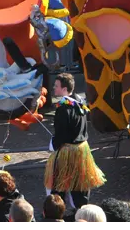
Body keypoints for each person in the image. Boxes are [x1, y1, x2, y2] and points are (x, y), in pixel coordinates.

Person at [45, 73, 105, 209]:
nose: (54, 88)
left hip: (68, 151)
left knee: (58, 183)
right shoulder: (80, 103)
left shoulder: (63, 108)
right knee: (80, 184)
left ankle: (56, 211)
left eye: (56, 86)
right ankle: (81, 210)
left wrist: (53, 144)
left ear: (64, 89)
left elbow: (61, 135)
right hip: (82, 150)